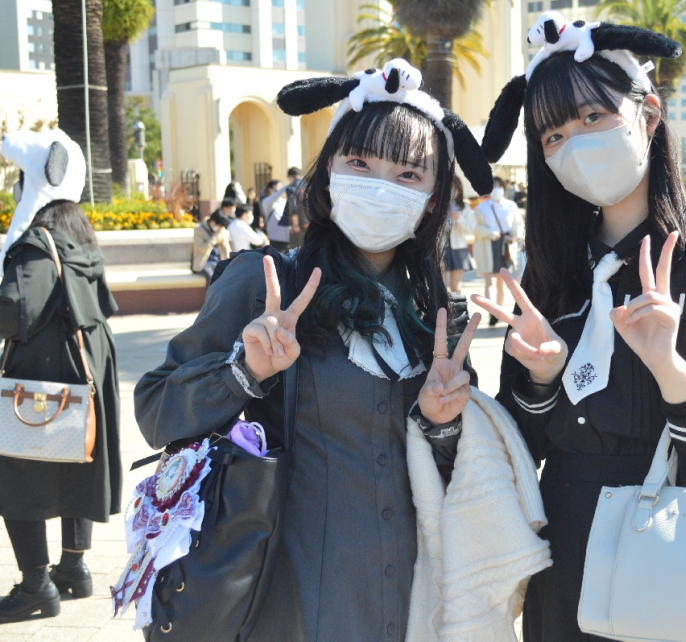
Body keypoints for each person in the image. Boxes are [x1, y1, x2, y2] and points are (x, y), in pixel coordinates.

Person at [134, 61, 497, 641]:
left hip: (412, 602)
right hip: (289, 602)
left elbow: (459, 476)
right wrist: (245, 371)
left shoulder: (436, 317)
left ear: (434, 199)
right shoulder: (266, 284)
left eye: (408, 173)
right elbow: (156, 410)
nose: (382, 185)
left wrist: (444, 425)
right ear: (328, 170)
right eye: (360, 163)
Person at [474, 23, 686, 642]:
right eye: (554, 135)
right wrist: (540, 382)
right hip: (565, 560)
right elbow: (520, 446)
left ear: (649, 113)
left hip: (674, 556)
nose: (575, 144)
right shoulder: (551, 272)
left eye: (593, 116)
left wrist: (670, 369)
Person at [0, 202, 122, 623]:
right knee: (77, 458)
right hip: (91, 362)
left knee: (17, 469)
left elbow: (15, 309)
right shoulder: (84, 248)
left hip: (43, 371)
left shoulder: (35, 245)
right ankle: (73, 568)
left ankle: (36, 586)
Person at [473, 176, 522, 326]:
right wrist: (489, 233)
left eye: (499, 186)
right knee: (489, 281)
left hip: (505, 246)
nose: (497, 189)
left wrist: (515, 237)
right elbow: (475, 228)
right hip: (487, 245)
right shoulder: (482, 207)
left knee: (502, 282)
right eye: (493, 186)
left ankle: (498, 311)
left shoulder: (511, 206)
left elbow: (518, 224)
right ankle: (491, 312)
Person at [442, 176, 475, 293]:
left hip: (458, 248)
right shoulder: (438, 205)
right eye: (449, 187)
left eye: (454, 187)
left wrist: (459, 219)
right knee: (441, 286)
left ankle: (456, 305)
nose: (452, 191)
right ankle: (442, 305)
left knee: (456, 288)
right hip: (441, 248)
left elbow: (469, 230)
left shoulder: (464, 207)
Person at [192, 211, 232, 285]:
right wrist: (214, 238)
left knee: (229, 275)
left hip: (218, 261)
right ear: (213, 222)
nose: (221, 229)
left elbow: (227, 250)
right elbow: (201, 249)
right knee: (211, 276)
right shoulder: (199, 229)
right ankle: (211, 293)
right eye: (220, 226)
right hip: (204, 263)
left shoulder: (222, 230)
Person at [262, 180, 290, 252]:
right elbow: (275, 196)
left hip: (288, 238)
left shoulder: (284, 201)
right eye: (278, 188)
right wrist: (288, 185)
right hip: (275, 239)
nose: (280, 190)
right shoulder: (266, 201)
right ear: (270, 189)